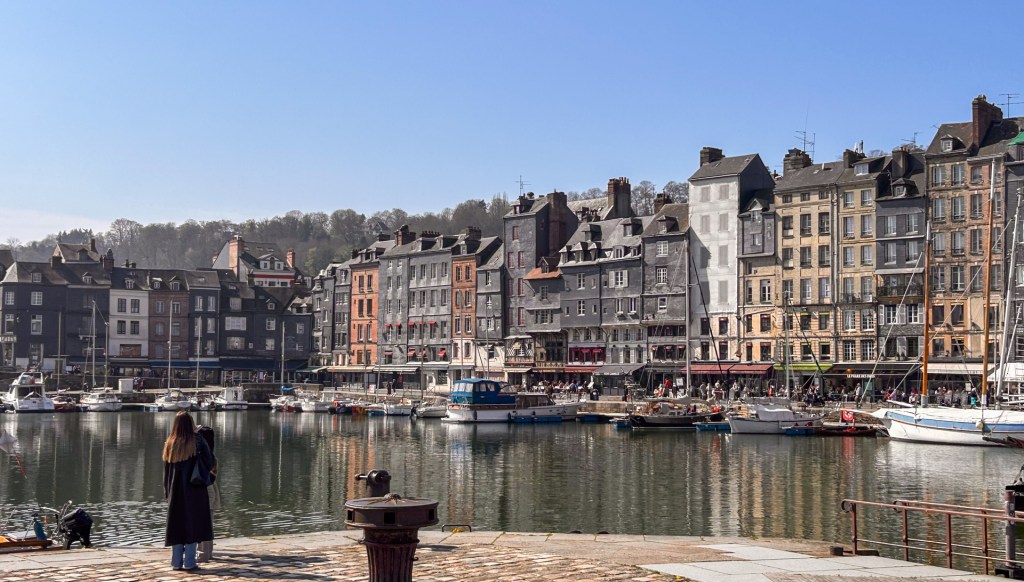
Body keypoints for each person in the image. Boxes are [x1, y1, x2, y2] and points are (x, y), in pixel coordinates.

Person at [163, 411, 214, 572]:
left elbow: (166, 471)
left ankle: (176, 562)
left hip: (174, 490)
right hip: (194, 489)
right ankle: (190, 562)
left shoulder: (170, 442)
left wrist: (167, 491)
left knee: (176, 525)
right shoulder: (197, 440)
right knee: (193, 523)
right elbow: (210, 461)